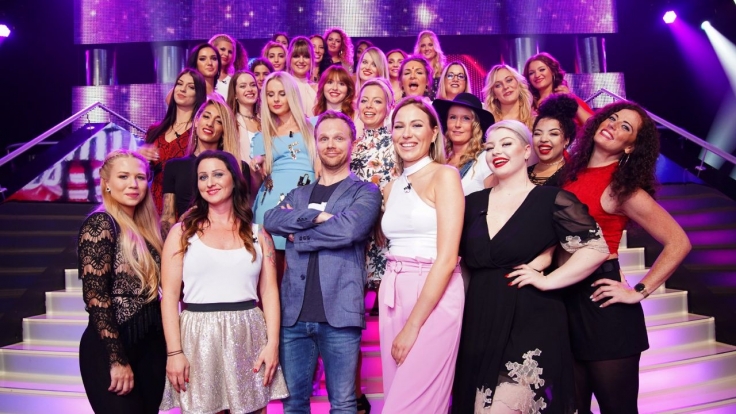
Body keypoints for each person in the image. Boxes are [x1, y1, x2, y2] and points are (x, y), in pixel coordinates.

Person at [452, 120, 610, 413]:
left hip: (530, 318)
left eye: (506, 143)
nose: (496, 152)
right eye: (490, 147)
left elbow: (596, 248)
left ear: (527, 151)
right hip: (480, 318)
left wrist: (549, 280)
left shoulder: (551, 200)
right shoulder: (472, 203)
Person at [561, 102, 691, 413]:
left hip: (603, 308)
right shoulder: (569, 172)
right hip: (564, 301)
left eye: (625, 127)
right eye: (612, 118)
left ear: (630, 146)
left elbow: (678, 242)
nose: (613, 126)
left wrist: (639, 291)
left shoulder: (623, 189)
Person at [263, 111, 382, 413]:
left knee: (342, 404)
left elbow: (349, 230)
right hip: (294, 317)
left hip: (340, 315)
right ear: (315, 143)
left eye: (339, 138)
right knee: (293, 405)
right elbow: (272, 219)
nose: (331, 144)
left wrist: (299, 235)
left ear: (352, 143)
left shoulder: (365, 192)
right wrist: (319, 217)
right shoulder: (298, 193)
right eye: (324, 138)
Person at [160, 150, 289, 414]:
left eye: (218, 174)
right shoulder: (181, 233)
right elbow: (170, 298)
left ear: (234, 179)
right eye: (203, 177)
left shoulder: (258, 234)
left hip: (248, 333)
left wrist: (272, 344)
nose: (210, 182)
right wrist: (174, 353)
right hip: (198, 335)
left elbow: (269, 293)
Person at [378, 96, 464, 413]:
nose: (407, 134)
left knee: (409, 406)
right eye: (399, 126)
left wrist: (413, 325)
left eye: (416, 125)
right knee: (395, 394)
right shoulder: (392, 186)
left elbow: (447, 258)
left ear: (433, 133)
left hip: (433, 290)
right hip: (393, 289)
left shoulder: (445, 175)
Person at [78, 149, 165, 413]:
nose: (133, 184)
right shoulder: (101, 224)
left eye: (140, 177)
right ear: (106, 183)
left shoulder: (150, 230)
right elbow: (96, 296)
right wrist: (116, 359)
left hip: (151, 346)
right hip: (113, 346)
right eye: (123, 176)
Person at [349, 77, 397, 413]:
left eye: (377, 101)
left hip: (384, 237)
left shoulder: (396, 144)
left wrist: (383, 218)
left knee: (391, 321)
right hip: (353, 239)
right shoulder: (349, 143)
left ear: (388, 106)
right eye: (365, 100)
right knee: (351, 321)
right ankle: (354, 394)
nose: (369, 106)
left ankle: (397, 390)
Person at [251, 72, 319, 254]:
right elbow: (256, 185)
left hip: (305, 202)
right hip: (270, 204)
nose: (276, 99)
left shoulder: (314, 125)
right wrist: (256, 167)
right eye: (270, 94)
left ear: (292, 95)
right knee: (273, 264)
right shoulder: (261, 137)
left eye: (282, 93)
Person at [160, 96, 246, 238]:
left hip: (227, 239)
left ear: (224, 130)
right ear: (196, 121)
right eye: (206, 116)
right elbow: (167, 217)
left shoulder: (239, 167)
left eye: (219, 121)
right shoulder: (174, 166)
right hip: (186, 238)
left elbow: (243, 213)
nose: (210, 124)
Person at [140, 68, 206, 214]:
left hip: (184, 204)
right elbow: (146, 174)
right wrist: (141, 159)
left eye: (191, 87)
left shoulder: (200, 131)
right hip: (153, 203)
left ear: (198, 94)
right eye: (180, 84)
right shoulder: (155, 130)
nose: (182, 89)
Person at [432, 92, 494, 195]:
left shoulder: (485, 159)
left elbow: (493, 200)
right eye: (453, 117)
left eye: (466, 118)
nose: (457, 124)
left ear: (476, 125)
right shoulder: (437, 157)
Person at [524, 52, 593, 125]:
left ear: (553, 71)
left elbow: (593, 126)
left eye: (542, 70)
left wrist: (571, 101)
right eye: (531, 73)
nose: (537, 75)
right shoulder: (527, 103)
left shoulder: (566, 97)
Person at [528, 94, 578, 187]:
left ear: (566, 140)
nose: (543, 139)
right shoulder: (522, 173)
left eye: (553, 134)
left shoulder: (571, 176)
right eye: (538, 133)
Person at [483, 64, 535, 130]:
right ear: (494, 94)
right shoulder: (488, 125)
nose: (505, 87)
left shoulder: (536, 121)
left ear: (518, 83)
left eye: (509, 80)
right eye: (498, 85)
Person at [227, 70, 261, 163]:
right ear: (235, 94)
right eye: (243, 86)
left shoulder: (265, 120)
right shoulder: (230, 122)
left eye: (253, 85)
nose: (249, 89)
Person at [287, 36, 318, 117]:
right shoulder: (283, 86)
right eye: (296, 56)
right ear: (289, 58)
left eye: (306, 56)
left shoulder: (317, 89)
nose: (301, 61)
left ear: (311, 59)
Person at [413, 31, 445, 99]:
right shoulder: (414, 71)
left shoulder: (444, 71)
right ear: (419, 49)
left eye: (430, 45)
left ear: (435, 47)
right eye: (423, 46)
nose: (427, 49)